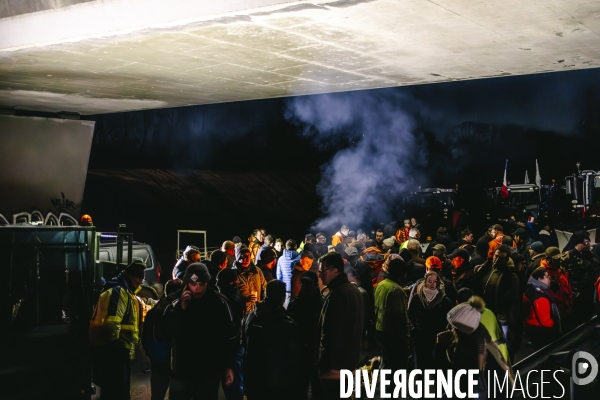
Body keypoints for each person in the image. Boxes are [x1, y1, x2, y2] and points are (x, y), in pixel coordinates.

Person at [154, 263, 236, 400]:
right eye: (193, 284)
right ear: (186, 283)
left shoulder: (219, 302)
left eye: (201, 284)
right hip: (182, 369)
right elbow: (160, 333)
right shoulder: (173, 301)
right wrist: (180, 310)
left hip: (210, 370)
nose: (197, 288)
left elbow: (229, 336)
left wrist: (228, 365)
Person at [89, 261, 145, 400]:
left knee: (114, 390)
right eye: (139, 278)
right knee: (117, 391)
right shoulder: (120, 291)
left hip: (117, 348)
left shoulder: (123, 290)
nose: (141, 282)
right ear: (131, 276)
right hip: (116, 350)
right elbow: (113, 322)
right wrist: (115, 345)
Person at [243, 280, 303, 400]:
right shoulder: (288, 324)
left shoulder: (250, 316)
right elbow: (294, 356)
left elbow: (244, 343)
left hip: (253, 378)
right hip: (277, 383)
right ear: (283, 297)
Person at [317, 252, 364, 400]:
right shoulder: (353, 290)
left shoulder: (337, 295)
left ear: (335, 271)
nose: (319, 275)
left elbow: (331, 334)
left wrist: (324, 366)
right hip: (349, 363)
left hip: (335, 369)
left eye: (322, 271)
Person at [477, 244, 522, 360]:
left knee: (503, 347)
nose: (496, 259)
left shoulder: (510, 277)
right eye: (496, 256)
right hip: (487, 314)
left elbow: (514, 302)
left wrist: (511, 322)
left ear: (506, 260)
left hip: (502, 317)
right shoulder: (491, 269)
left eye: (501, 258)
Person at [142, 279, 183, 400]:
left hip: (156, 360)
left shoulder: (156, 309)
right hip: (171, 360)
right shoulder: (175, 308)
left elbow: (145, 335)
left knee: (157, 395)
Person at [287, 271, 324, 400]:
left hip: (316, 350)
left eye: (308, 284)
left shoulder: (321, 303)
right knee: (300, 387)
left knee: (317, 387)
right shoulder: (295, 303)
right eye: (303, 284)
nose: (304, 287)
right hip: (300, 351)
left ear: (315, 285)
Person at [407, 271, 453, 370]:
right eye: (430, 281)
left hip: (437, 337)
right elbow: (410, 314)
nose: (432, 284)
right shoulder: (417, 298)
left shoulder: (444, 300)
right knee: (421, 363)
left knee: (437, 363)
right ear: (425, 282)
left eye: (435, 281)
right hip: (420, 336)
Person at [373, 257, 410, 371]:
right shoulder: (397, 291)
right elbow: (400, 318)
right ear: (402, 274)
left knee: (386, 362)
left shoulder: (381, 284)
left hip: (379, 330)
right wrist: (406, 339)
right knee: (396, 366)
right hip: (393, 335)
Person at [216, 269, 246, 400]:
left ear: (229, 282)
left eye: (219, 282)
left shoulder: (228, 300)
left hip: (232, 346)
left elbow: (230, 329)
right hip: (237, 345)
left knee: (232, 383)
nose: (217, 285)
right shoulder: (236, 294)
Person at [523, 267, 561, 349]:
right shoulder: (540, 297)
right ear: (540, 279)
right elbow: (546, 322)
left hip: (532, 329)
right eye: (547, 276)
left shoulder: (530, 290)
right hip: (542, 333)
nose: (549, 279)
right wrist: (556, 329)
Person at [233, 246, 267, 313]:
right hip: (242, 310)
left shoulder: (257, 271)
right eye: (244, 256)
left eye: (249, 255)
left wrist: (263, 302)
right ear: (238, 257)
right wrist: (245, 299)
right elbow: (232, 294)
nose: (247, 259)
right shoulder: (234, 274)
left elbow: (264, 286)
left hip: (257, 309)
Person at [276, 239, 300, 307]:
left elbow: (279, 276)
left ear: (286, 247)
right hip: (298, 288)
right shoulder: (300, 258)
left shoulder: (280, 259)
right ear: (295, 247)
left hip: (286, 288)